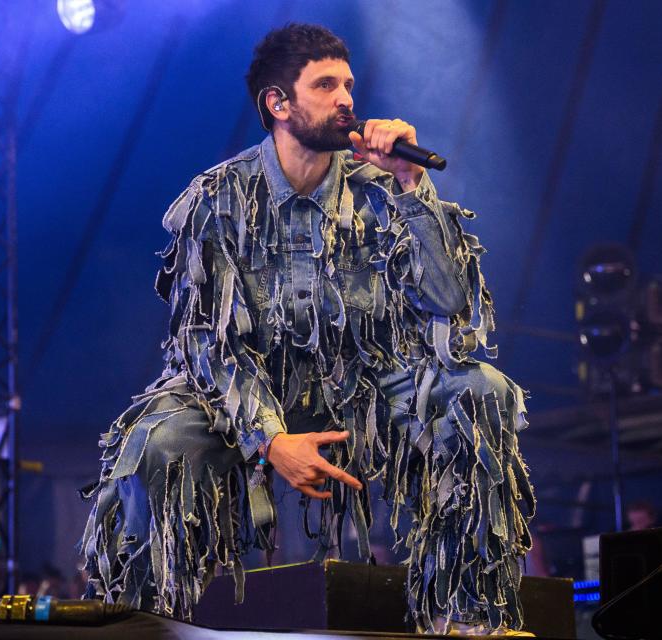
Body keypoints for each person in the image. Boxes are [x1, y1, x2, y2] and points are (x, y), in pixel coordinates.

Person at [79, 23, 535, 635]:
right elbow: (208, 344)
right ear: (279, 103)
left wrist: (410, 187)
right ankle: (140, 625)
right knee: (155, 446)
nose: (347, 98)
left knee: (482, 391)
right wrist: (270, 440)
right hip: (244, 395)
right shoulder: (219, 197)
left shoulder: (382, 187)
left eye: (348, 84)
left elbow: (448, 300)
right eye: (326, 85)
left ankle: (466, 618)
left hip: (365, 387)